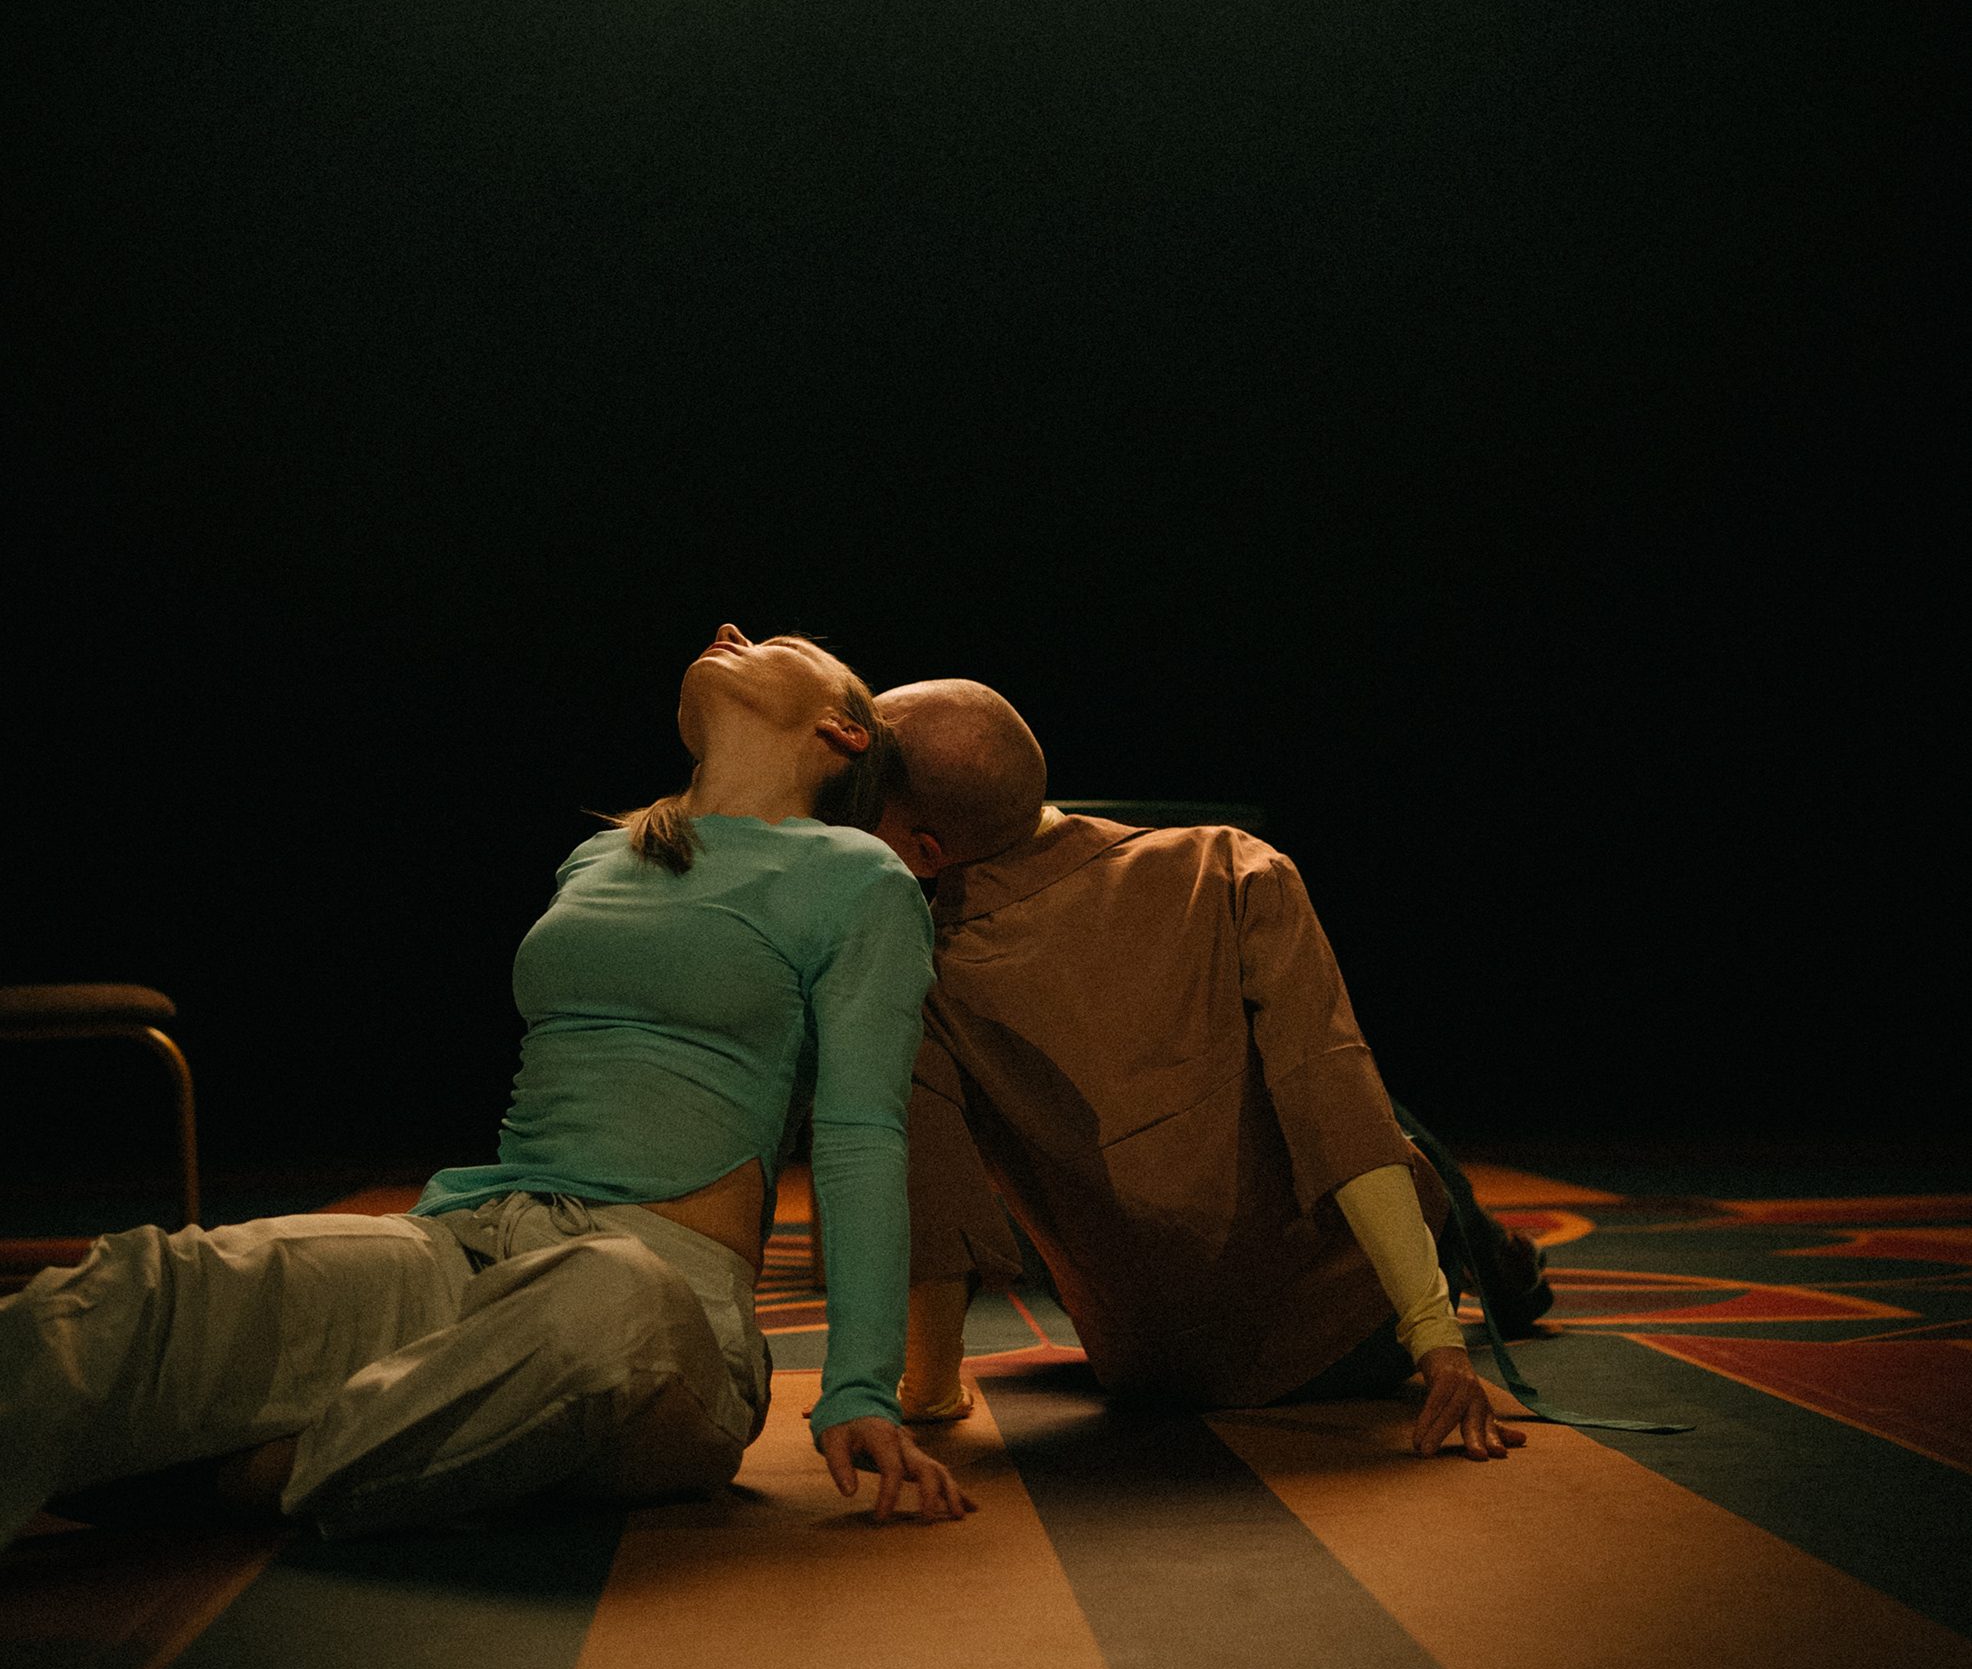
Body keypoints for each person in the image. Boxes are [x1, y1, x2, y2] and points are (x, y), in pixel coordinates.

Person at [0, 628, 973, 1551]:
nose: (730, 630)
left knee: (610, 1302)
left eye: (776, 643)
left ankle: (232, 1477)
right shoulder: (603, 855)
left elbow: (860, 1134)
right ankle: (263, 1454)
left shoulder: (859, 881)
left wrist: (859, 1388)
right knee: (150, 1283)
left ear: (841, 730)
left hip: (661, 1295)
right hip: (465, 1243)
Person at [873, 678, 1540, 1465]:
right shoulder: (1229, 866)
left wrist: (927, 1391)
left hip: (1156, 1369)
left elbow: (938, 1202)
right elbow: (1337, 1103)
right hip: (1353, 1345)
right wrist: (1438, 1346)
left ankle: (1498, 1259)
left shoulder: (914, 976)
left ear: (925, 851)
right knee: (1344, 1084)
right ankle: (1502, 1267)